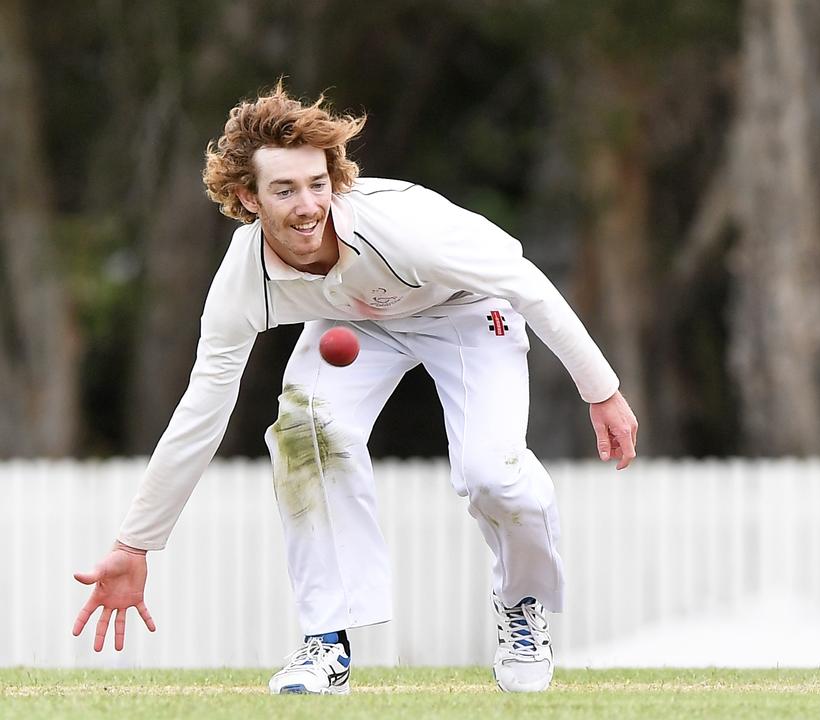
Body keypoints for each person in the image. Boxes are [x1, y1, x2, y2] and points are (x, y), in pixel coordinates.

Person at [71, 84, 639, 695]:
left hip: (467, 306)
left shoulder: (404, 230)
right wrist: (136, 543)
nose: (308, 205)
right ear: (248, 198)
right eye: (284, 190)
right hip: (354, 320)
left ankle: (522, 606)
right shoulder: (244, 279)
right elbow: (203, 409)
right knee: (304, 434)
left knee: (493, 475)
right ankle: (326, 645)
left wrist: (600, 390)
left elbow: (529, 286)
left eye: (317, 184)